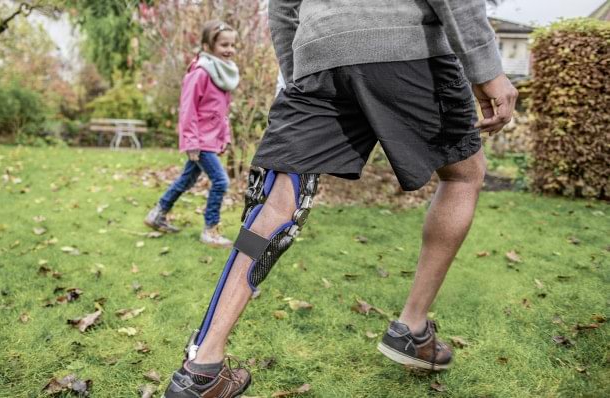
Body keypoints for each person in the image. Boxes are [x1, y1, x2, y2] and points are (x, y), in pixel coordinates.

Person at [162, 1, 518, 396]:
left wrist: (301, 71)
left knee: (274, 205)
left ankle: (203, 368)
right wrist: (487, 69)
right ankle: (412, 328)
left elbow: (282, 6)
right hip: (406, 46)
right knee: (463, 175)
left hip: (319, 53)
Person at [145, 20, 239, 248]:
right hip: (199, 140)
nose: (229, 49)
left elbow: (220, 112)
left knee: (187, 179)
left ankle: (157, 214)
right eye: (223, 45)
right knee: (220, 181)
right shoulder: (200, 73)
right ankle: (210, 230)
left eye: (232, 45)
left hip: (209, 138)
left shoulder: (221, 72)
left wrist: (224, 138)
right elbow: (188, 110)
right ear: (208, 45)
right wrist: (191, 143)